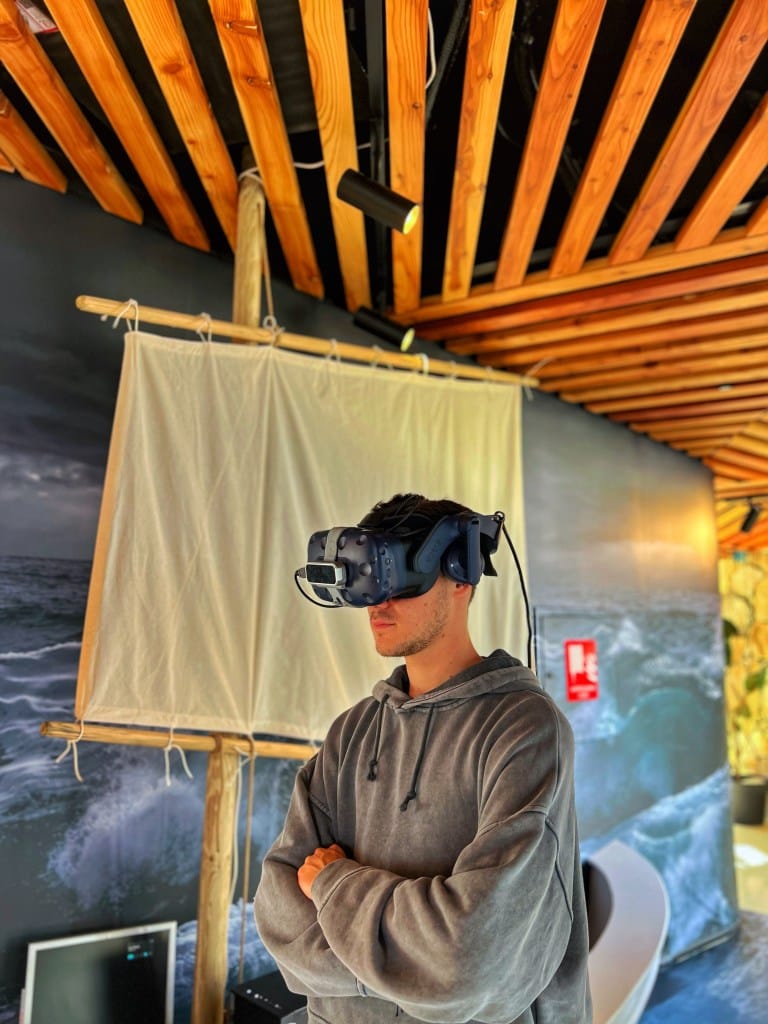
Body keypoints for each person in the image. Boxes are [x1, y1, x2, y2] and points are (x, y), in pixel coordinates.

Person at [254, 494, 592, 1024]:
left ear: (461, 575)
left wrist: (333, 884)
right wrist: (413, 972)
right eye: (367, 582)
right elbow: (280, 918)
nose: (378, 604)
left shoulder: (523, 729)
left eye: (399, 579)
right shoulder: (351, 732)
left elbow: (467, 958)